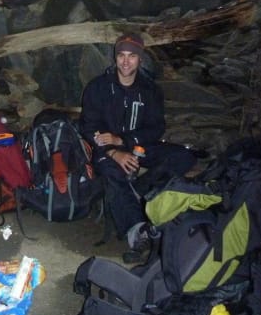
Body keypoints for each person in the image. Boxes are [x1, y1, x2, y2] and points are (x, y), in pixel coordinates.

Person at [80, 32, 196, 260]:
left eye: (131, 56)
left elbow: (156, 128)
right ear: (115, 58)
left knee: (184, 157)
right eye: (121, 55)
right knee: (112, 171)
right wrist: (113, 151)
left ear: (140, 59)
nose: (125, 61)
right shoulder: (98, 88)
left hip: (138, 147)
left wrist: (124, 141)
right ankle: (138, 231)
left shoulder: (150, 90)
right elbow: (87, 127)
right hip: (106, 152)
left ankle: (141, 189)